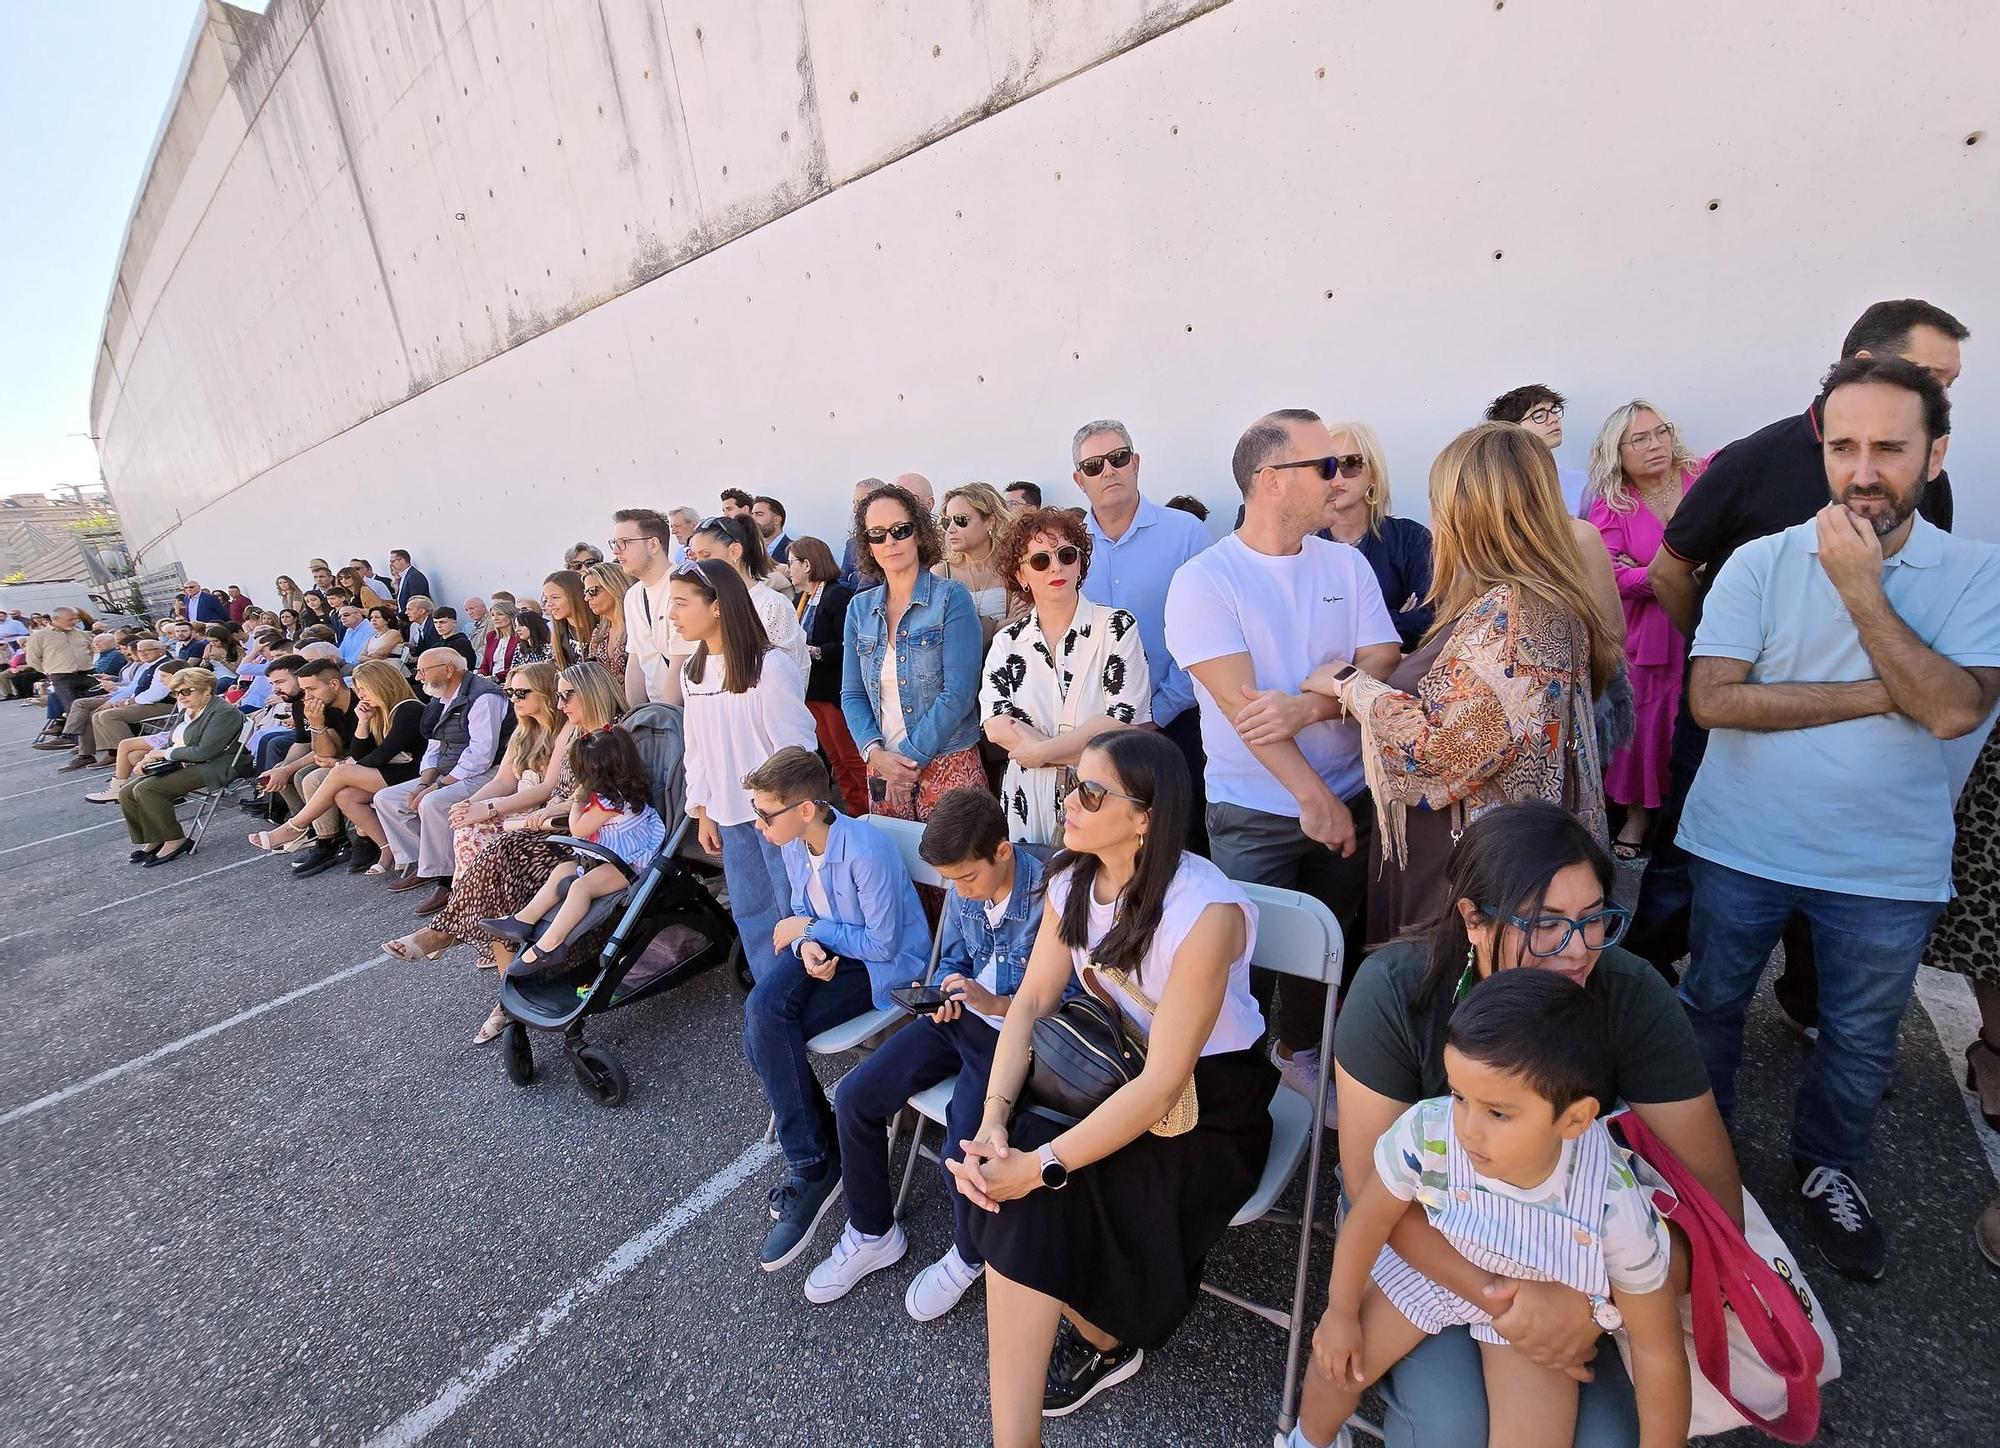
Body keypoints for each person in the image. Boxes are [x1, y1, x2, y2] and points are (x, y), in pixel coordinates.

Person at [1676, 354, 2000, 1281]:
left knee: (1860, 1041)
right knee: (1711, 1008)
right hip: (1741, 842)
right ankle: (1702, 1165)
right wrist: (1876, 692)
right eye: (1845, 446)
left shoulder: (1976, 573)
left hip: (1885, 865)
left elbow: (1949, 709)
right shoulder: (1758, 561)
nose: (1864, 471)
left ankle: (1828, 1171)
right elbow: (1714, 699)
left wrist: (1861, 588)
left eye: (1889, 448)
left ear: (1934, 455)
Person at [1334, 801, 1740, 1444]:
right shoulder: (1396, 989)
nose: (1578, 951)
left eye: (1593, 920)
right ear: (1473, 919)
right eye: (1546, 925)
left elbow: (1715, 1201)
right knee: (1454, 1430)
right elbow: (1366, 1187)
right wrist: (1505, 1297)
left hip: (1570, 1253)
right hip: (1418, 1230)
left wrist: (1594, 1305)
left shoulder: (1629, 994)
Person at [1632, 299, 1970, 1013]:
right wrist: (1726, 660)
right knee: (1687, 864)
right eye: (1935, 376)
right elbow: (1670, 571)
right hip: (1740, 716)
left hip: (1861, 745)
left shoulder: (1925, 481)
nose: (1944, 397)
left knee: (1835, 876)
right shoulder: (1756, 459)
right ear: (1868, 365)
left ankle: (1807, 998)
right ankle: (1647, 978)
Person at [950, 730, 1276, 1440]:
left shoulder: (1204, 913)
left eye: (1091, 792)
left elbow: (1166, 1084)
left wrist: (1039, 1167)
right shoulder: (1074, 877)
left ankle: (1101, 1340)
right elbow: (1032, 1003)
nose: (1070, 799)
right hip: (1106, 1063)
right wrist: (996, 1117)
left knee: (1037, 1193)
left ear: (1146, 817)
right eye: (1072, 783)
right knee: (1000, 1170)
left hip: (1209, 1101)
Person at [1297, 969, 1688, 1448]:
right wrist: (1339, 1312)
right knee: (1337, 1366)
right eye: (1459, 1096)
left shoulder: (1611, 1201)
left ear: (1576, 1119)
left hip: (1538, 1304)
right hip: (1431, 1269)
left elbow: (1658, 1350)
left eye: (1498, 1113)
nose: (1467, 1128)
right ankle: (1307, 1440)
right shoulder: (1430, 1131)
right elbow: (1369, 1219)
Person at [1305, 422, 1618, 949]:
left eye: (1438, 502)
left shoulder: (1513, 617)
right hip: (1506, 855)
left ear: (1470, 514)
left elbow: (1442, 756)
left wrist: (1348, 685)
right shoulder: (1539, 600)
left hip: (1472, 871)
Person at [1165, 409, 1400, 1102]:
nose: (1339, 479)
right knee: (1241, 953)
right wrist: (1312, 796)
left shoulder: (1345, 562)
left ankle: (1296, 1050)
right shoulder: (1205, 580)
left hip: (1349, 791)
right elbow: (1245, 708)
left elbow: (1381, 656)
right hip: (1257, 809)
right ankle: (1219, 1086)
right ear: (1271, 481)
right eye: (1324, 466)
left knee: (1328, 947)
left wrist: (1314, 705)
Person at [802, 788, 1048, 1318]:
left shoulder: (1052, 897)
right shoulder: (966, 889)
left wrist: (997, 1002)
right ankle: (871, 1231)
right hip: (958, 1018)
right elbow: (952, 957)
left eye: (967, 877)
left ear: (1002, 851)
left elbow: (1067, 1001)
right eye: (952, 880)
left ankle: (969, 1255)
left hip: (1016, 1035)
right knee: (855, 1095)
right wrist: (941, 991)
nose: (960, 890)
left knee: (966, 1129)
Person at [739, 747, 932, 1270]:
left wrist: (810, 933)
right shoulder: (795, 842)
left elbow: (886, 944)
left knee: (766, 1027)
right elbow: (801, 911)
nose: (758, 825)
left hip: (882, 966)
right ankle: (819, 1151)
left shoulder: (865, 850)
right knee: (762, 1018)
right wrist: (807, 945)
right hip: (829, 952)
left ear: (806, 808)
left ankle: (813, 1160)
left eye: (765, 813)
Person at [1071, 419, 1216, 852]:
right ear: (1079, 481)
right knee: (1111, 853)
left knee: (1182, 846)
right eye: (1094, 466)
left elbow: (1210, 636)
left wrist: (1158, 711)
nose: (1108, 471)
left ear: (1135, 463)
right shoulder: (1065, 548)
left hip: (1178, 724)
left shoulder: (1186, 535)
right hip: (1095, 734)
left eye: (1117, 459)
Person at [673, 558, 818, 986]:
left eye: (682, 604)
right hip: (730, 813)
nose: (673, 616)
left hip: (778, 817)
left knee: (794, 902)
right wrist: (701, 808)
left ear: (716, 605)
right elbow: (695, 748)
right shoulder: (692, 671)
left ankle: (807, 986)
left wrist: (783, 809)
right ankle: (771, 989)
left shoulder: (767, 667)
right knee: (752, 909)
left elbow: (796, 745)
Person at [981, 507, 1149, 843]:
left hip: (1101, 792)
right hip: (1028, 797)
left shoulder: (1117, 627)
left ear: (1080, 564)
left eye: (1066, 555)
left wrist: (1042, 753)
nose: (1056, 567)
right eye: (1040, 560)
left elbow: (1123, 719)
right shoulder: (1007, 642)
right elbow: (997, 724)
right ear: (1021, 575)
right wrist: (1071, 749)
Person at [1585, 402, 1707, 861]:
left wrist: (1651, 568)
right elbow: (1611, 575)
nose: (1655, 444)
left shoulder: (1702, 476)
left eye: (1660, 433)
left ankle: (1694, 818)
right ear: (1617, 450)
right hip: (1650, 639)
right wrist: (1667, 574)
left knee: (1701, 717)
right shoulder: (1613, 504)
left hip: (1709, 621)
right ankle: (1638, 815)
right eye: (1640, 439)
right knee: (1649, 726)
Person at [383, 663, 562, 958]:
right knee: (467, 825)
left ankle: (454, 929)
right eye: (510, 692)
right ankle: (474, 929)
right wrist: (472, 805)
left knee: (475, 832)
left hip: (544, 816)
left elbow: (546, 789)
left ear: (546, 694)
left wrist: (487, 808)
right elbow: (505, 780)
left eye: (521, 692)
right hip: (519, 812)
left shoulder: (563, 730)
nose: (514, 699)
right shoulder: (524, 731)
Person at [841, 481, 985, 821]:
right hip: (882, 767)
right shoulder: (859, 609)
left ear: (918, 533)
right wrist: (874, 753)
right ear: (868, 545)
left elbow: (959, 694)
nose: (889, 541)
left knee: (957, 870)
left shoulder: (951, 598)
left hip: (948, 762)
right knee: (896, 872)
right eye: (877, 534)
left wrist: (907, 758)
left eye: (900, 530)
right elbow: (852, 694)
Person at [486, 727, 666, 973]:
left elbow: (578, 830)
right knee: (563, 870)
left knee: (582, 887)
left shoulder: (610, 803)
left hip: (629, 864)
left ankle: (550, 945)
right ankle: (523, 920)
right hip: (608, 856)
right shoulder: (619, 793)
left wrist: (577, 801)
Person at [254, 659, 424, 877]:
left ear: (381, 685)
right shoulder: (375, 710)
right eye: (358, 689)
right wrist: (362, 722)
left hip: (417, 772)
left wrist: (340, 764)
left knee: (339, 772)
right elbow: (360, 753)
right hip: (393, 770)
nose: (360, 694)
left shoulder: (408, 709)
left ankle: (295, 827)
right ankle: (386, 848)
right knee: (346, 796)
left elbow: (378, 757)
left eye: (364, 689)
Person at [373, 648, 511, 913]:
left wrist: (438, 786)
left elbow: (481, 755)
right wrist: (424, 783)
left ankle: (446, 877)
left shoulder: (483, 696)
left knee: (434, 803)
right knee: (386, 798)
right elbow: (434, 748)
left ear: (448, 669)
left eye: (425, 670)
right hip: (452, 771)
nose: (419, 675)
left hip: (489, 772)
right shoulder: (440, 698)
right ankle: (423, 863)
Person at [1313, 421, 1435, 652]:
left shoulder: (1412, 539)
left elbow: (1427, 622)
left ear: (1374, 474)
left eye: (1350, 464)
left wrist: (1341, 620)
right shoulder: (1304, 546)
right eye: (1327, 467)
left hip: (1395, 678)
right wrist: (1393, 618)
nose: (1337, 478)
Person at [115, 668, 244, 867]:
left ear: (206, 690)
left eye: (186, 691)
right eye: (176, 692)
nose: (180, 696)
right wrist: (149, 758)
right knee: (127, 792)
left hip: (216, 766)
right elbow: (174, 741)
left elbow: (204, 752)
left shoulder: (223, 712)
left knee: (147, 789)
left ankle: (175, 839)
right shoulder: (189, 709)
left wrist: (164, 754)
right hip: (186, 761)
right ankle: (155, 837)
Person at [786, 536, 869, 815]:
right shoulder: (802, 599)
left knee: (850, 756)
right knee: (834, 756)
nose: (789, 570)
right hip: (812, 691)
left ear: (807, 564)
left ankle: (870, 810)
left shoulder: (837, 595)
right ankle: (853, 810)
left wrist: (815, 651)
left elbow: (849, 643)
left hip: (833, 689)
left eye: (792, 563)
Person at [683, 513, 811, 683]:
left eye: (706, 555)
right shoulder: (705, 604)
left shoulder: (772, 605)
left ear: (735, 551)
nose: (699, 564)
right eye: (695, 556)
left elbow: (792, 674)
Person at [54, 636, 169, 771]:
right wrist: (119, 696)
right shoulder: (148, 665)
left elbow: (157, 694)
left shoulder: (163, 666)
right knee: (90, 711)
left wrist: (126, 700)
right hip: (139, 699)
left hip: (161, 704)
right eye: (139, 651)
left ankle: (126, 752)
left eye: (147, 650)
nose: (142, 653)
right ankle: (99, 752)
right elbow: (135, 687)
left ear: (160, 651)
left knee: (106, 715)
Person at [614, 506, 682, 707]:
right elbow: (636, 662)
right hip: (656, 714)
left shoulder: (685, 586)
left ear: (653, 545)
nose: (616, 551)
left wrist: (666, 719)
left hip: (684, 712)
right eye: (615, 543)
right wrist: (636, 720)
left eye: (624, 543)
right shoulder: (633, 595)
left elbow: (681, 662)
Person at [1485, 385, 1588, 514]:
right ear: (1511, 428)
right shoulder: (1495, 484)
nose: (1554, 419)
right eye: (1539, 416)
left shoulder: (1582, 483)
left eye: (1554, 411)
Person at [935, 482, 1017, 645]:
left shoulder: (1013, 569)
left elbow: (1023, 624)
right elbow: (944, 635)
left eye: (961, 520)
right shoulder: (941, 574)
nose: (951, 528)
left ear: (990, 522)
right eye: (947, 522)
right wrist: (1000, 626)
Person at [25, 607, 95, 718]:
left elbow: (90, 652)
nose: (74, 622)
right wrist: (47, 671)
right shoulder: (39, 636)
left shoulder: (81, 634)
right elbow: (33, 659)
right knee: (73, 710)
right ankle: (77, 734)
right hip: (62, 677)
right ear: (56, 619)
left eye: (76, 619)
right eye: (70, 619)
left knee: (96, 706)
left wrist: (85, 663)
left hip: (87, 674)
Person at [578, 560, 630, 678]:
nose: (586, 598)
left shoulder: (637, 626)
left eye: (592, 591)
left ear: (614, 587)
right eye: (585, 592)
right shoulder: (598, 635)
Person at [838, 478, 887, 592]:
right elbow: (841, 581)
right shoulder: (852, 544)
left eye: (860, 502)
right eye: (854, 503)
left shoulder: (892, 541)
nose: (855, 510)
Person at [539, 570, 591, 669]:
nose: (549, 604)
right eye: (546, 599)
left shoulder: (599, 630)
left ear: (575, 597)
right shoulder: (560, 634)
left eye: (555, 597)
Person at [476, 601, 520, 678]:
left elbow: (518, 666)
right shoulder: (491, 636)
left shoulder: (519, 637)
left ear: (511, 616)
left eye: (500, 614)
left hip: (510, 680)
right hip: (490, 681)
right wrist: (481, 675)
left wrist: (495, 678)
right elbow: (485, 664)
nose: (495, 618)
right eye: (493, 615)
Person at [752, 495, 794, 566]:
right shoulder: (750, 551)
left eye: (759, 514)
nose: (753, 519)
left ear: (776, 520)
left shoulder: (793, 551)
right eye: (752, 515)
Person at [335, 605, 376, 670]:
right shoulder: (349, 630)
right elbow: (340, 653)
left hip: (361, 667)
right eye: (340, 616)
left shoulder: (370, 628)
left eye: (346, 615)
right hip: (347, 665)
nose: (342, 618)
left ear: (358, 615)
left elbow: (359, 657)